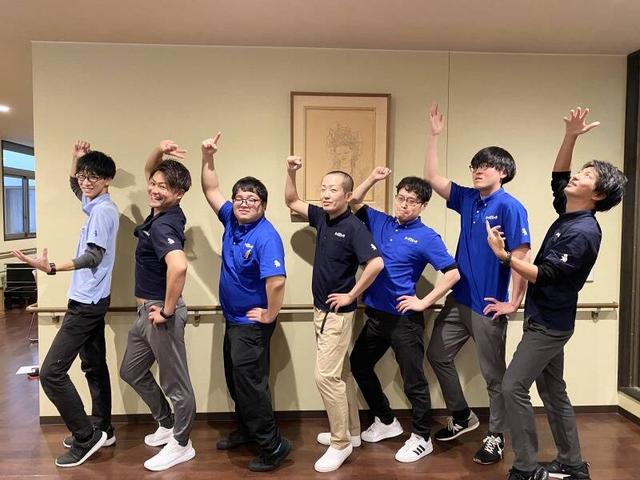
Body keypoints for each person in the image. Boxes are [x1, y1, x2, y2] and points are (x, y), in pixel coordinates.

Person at [487, 107, 627, 480]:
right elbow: (559, 177)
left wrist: (504, 256)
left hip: (548, 325)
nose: (577, 175)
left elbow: (546, 275)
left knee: (512, 386)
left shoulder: (583, 232)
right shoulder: (570, 213)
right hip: (546, 319)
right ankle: (572, 463)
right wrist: (571, 136)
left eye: (587, 175)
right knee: (553, 392)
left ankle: (526, 467)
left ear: (597, 194)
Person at [424, 103, 531, 464]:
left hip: (488, 303)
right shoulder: (469, 199)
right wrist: (434, 136)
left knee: (494, 377)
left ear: (503, 172)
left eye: (485, 165)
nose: (477, 170)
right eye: (474, 166)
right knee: (437, 354)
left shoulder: (510, 206)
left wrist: (513, 302)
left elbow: (522, 256)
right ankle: (462, 416)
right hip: (459, 299)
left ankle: (496, 436)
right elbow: (432, 178)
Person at [14, 140, 119, 467]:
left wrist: (52, 267)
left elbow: (94, 256)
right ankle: (103, 429)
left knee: (51, 373)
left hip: (86, 303)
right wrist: (77, 159)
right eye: (84, 175)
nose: (85, 181)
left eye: (93, 176)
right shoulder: (97, 204)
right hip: (94, 298)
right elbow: (74, 185)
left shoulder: (102, 212)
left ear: (107, 180)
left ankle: (87, 437)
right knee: (94, 366)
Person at [347, 167, 460, 463]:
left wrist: (424, 302)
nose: (404, 205)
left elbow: (452, 273)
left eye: (412, 201)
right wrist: (372, 179)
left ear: (423, 205)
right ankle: (386, 420)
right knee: (359, 364)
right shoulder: (381, 221)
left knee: (413, 380)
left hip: (403, 320)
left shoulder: (427, 237)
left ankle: (422, 437)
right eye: (401, 198)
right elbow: (353, 201)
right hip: (375, 315)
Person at [285, 156, 384, 473]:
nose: (326, 194)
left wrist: (352, 294)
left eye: (333, 189)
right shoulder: (322, 217)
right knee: (340, 374)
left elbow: (376, 263)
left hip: (337, 315)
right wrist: (291, 172)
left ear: (347, 195)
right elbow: (292, 201)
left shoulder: (354, 227)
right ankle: (351, 433)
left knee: (326, 377)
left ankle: (340, 444)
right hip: (321, 311)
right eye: (323, 188)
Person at [200, 132, 291, 471]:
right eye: (239, 197)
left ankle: (273, 445)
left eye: (251, 199)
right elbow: (211, 189)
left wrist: (269, 314)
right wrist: (208, 157)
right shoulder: (231, 220)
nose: (243, 203)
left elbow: (277, 281)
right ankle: (248, 430)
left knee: (251, 387)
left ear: (263, 205)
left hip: (251, 326)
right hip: (234, 321)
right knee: (236, 381)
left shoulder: (266, 236)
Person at [119, 140, 196, 472]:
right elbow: (150, 170)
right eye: (153, 184)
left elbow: (179, 267)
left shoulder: (164, 223)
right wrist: (158, 149)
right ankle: (166, 422)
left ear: (178, 193)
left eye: (162, 186)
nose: (153, 188)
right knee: (131, 370)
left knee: (176, 384)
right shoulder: (161, 212)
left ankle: (182, 443)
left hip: (159, 313)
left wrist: (166, 310)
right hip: (144, 314)